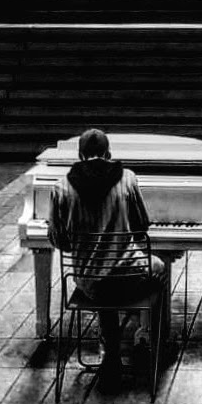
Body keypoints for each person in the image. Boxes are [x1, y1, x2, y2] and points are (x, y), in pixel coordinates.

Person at [48, 127, 168, 384]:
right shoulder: (127, 178)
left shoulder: (60, 188)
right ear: (108, 153)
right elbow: (141, 227)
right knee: (158, 266)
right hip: (128, 278)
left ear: (79, 155)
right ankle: (148, 336)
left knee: (100, 278)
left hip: (89, 284)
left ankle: (111, 353)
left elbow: (59, 241)